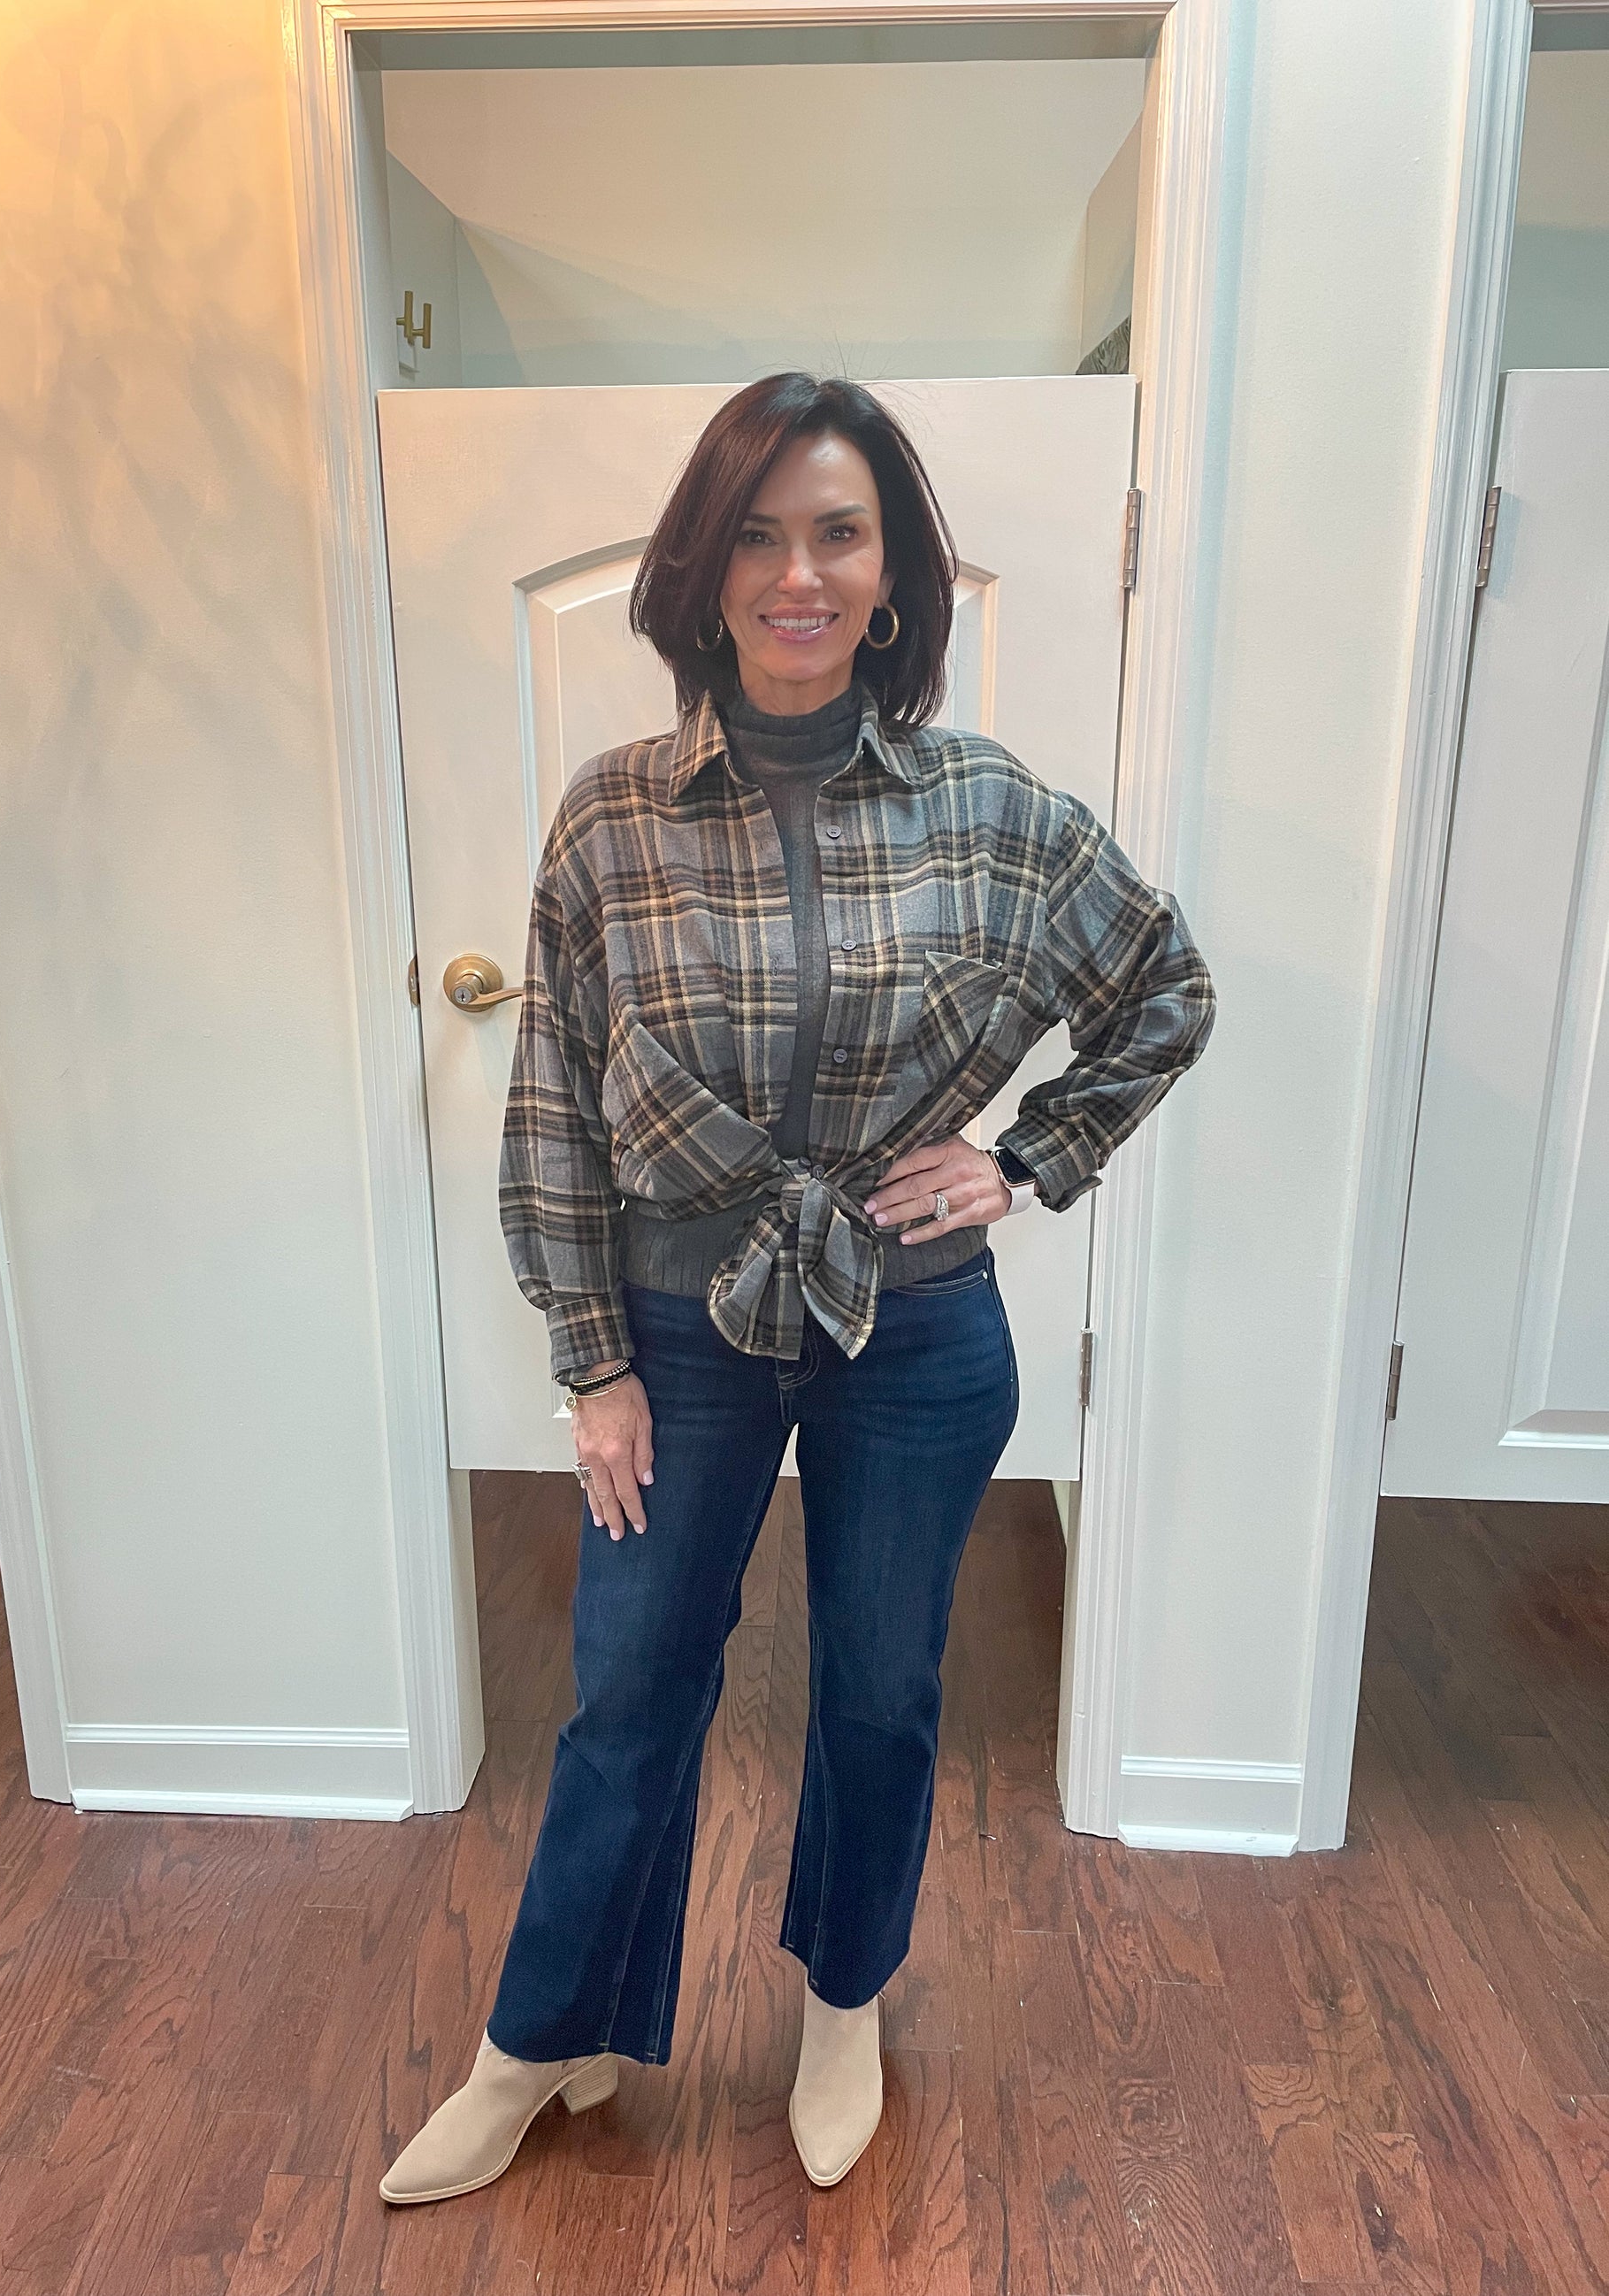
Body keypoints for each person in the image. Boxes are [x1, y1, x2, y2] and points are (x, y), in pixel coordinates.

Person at [380, 372, 1215, 2208]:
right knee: (629, 1688)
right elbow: (555, 1104)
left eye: (838, 533)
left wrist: (1025, 1159)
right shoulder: (612, 819)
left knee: (879, 1688)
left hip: (914, 1330)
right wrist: (592, 1361)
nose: (797, 573)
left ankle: (844, 2005)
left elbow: (1165, 985)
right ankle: (546, 2037)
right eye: (756, 534)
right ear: (703, 567)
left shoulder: (988, 808)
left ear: (892, 574)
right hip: (676, 1329)